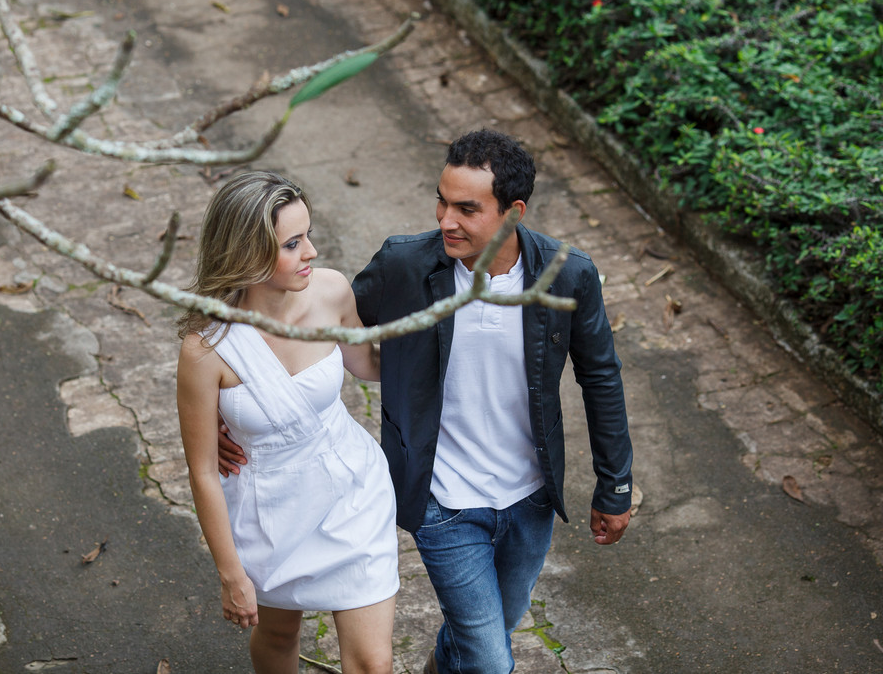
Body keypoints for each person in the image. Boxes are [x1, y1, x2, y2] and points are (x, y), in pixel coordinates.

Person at [351, 129, 634, 674]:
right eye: (441, 201)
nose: (445, 220)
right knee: (489, 660)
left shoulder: (568, 275)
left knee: (483, 634)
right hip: (443, 498)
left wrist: (614, 484)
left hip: (530, 498)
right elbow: (322, 321)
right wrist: (238, 396)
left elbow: (601, 377)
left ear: (513, 213)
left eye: (466, 209)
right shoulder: (404, 265)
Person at [176, 170, 399, 674]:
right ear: (247, 253)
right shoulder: (205, 348)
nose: (311, 253)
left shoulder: (331, 291)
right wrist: (230, 574)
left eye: (308, 235)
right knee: (279, 634)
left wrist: (439, 335)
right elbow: (203, 471)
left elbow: (370, 365)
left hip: (351, 494)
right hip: (269, 513)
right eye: (293, 244)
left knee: (373, 662)